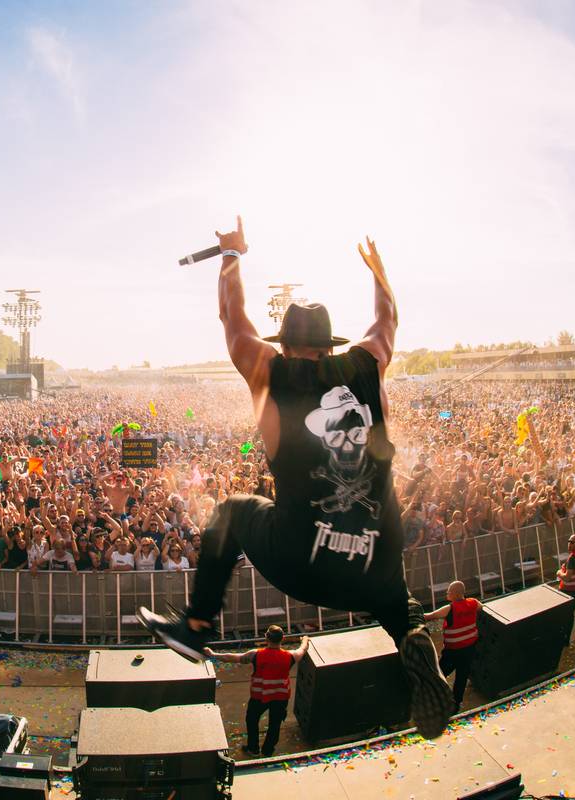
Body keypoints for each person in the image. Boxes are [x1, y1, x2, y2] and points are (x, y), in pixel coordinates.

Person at [139, 218, 453, 740]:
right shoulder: (368, 363)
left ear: (284, 345)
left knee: (233, 509)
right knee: (395, 596)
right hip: (375, 561)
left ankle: (196, 627)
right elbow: (388, 319)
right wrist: (380, 276)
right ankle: (412, 634)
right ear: (330, 346)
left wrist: (232, 255)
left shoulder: (271, 370)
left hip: (302, 558)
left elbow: (233, 322)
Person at [205, 625, 310, 757]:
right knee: (275, 724)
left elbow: (233, 657)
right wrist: (305, 639)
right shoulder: (290, 656)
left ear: (266, 638)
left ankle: (253, 749)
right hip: (281, 697)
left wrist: (213, 654)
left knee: (252, 720)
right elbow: (302, 649)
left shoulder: (256, 655)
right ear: (282, 639)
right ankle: (268, 750)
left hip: (259, 696)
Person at [422, 581, 480, 707]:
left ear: (455, 594)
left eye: (449, 591)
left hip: (453, 652)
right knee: (461, 677)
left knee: (439, 675)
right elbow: (482, 607)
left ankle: (436, 699)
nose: (447, 593)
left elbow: (429, 616)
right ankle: (456, 703)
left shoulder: (449, 608)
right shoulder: (474, 602)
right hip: (469, 649)